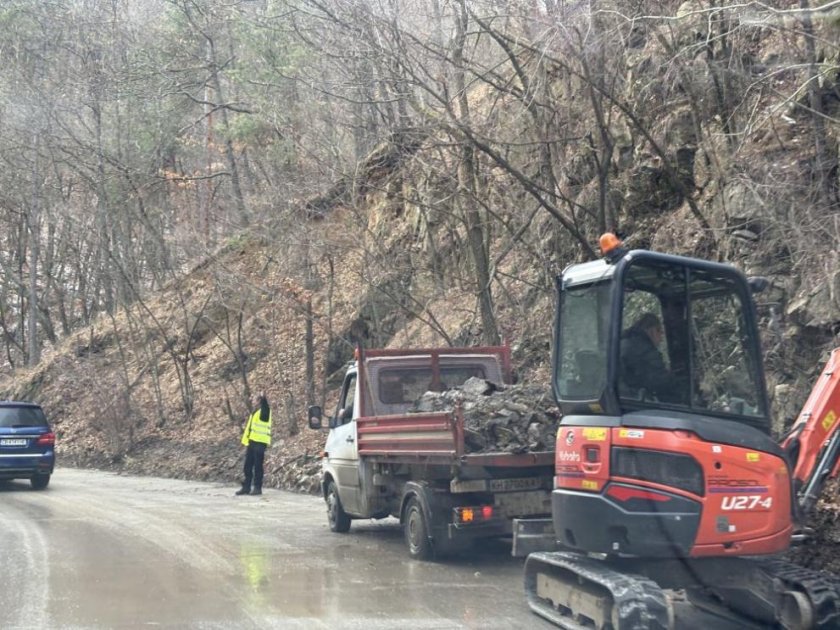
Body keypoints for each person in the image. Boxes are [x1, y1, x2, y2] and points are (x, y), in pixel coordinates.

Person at [620, 313, 675, 401]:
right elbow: (659, 381)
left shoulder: (624, 342)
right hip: (635, 401)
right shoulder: (644, 349)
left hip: (625, 397)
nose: (661, 338)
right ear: (652, 331)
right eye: (660, 331)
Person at [236, 393, 272, 496]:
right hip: (252, 442)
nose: (252, 400)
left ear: (259, 401)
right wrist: (246, 441)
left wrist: (264, 398)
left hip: (260, 443)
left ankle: (257, 487)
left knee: (257, 466)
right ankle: (246, 487)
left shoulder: (265, 411)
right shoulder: (255, 412)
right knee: (247, 466)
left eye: (254, 399)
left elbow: (265, 410)